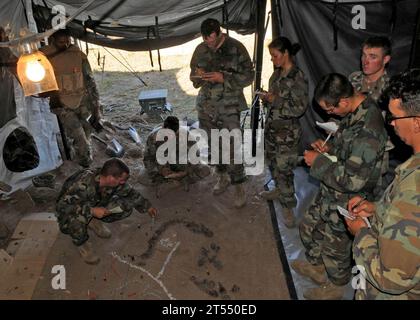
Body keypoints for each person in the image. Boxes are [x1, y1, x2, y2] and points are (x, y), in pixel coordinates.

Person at [293, 73, 388, 299]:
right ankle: (317, 268)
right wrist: (329, 150)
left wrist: (318, 162)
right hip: (331, 188)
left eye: (331, 110)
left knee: (335, 248)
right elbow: (347, 147)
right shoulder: (354, 111)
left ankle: (335, 287)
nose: (329, 114)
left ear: (344, 101)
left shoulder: (369, 130)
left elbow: (353, 181)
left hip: (351, 198)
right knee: (309, 226)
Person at [345, 69, 420, 300]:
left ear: (417, 122)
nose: (391, 125)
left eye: (394, 118)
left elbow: (390, 279)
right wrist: (378, 209)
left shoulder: (414, 186)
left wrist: (361, 233)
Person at [189, 18, 254, 208]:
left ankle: (239, 186)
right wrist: (198, 75)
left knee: (232, 146)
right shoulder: (200, 49)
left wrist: (223, 77)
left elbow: (249, 76)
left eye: (211, 38)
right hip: (206, 106)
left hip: (229, 106)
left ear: (219, 33)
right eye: (205, 38)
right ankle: (223, 176)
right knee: (214, 144)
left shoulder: (236, 48)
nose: (207, 42)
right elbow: (192, 76)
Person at [56, 158, 157, 265]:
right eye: (121, 180)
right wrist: (91, 211)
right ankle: (82, 245)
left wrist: (148, 206)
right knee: (75, 221)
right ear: (110, 178)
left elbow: (130, 193)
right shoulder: (82, 185)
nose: (123, 182)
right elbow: (63, 207)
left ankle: (92, 221)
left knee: (125, 207)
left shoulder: (113, 181)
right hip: (69, 210)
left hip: (92, 205)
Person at [257, 37, 308, 228]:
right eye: (271, 56)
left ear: (285, 53)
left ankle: (288, 207)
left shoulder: (298, 77)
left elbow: (300, 108)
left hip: (287, 133)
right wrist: (266, 98)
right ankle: (278, 190)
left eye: (274, 56)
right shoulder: (276, 75)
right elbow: (274, 100)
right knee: (274, 163)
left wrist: (275, 100)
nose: (272, 60)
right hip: (272, 128)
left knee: (285, 170)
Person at [40, 28, 101, 167]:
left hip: (82, 101)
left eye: (68, 41)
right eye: (61, 42)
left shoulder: (78, 55)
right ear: (53, 41)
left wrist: (96, 107)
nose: (66, 45)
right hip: (62, 104)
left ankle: (81, 157)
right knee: (80, 138)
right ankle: (86, 166)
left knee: (87, 132)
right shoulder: (43, 56)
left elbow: (90, 82)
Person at [143, 116, 210, 184]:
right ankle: (173, 180)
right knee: (148, 176)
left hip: (180, 162)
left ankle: (177, 179)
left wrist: (186, 171)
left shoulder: (185, 134)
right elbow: (148, 159)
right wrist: (160, 170)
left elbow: (196, 155)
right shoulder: (153, 137)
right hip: (162, 163)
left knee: (205, 169)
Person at [349, 36, 391, 103]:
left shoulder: (389, 88)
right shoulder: (354, 78)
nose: (365, 62)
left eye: (373, 57)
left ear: (385, 59)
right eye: (364, 55)